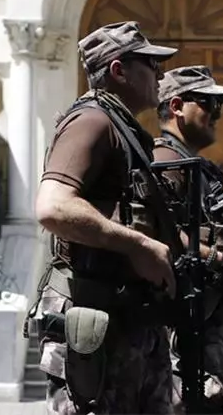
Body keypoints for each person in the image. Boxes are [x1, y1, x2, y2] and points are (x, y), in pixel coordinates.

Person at [31, 21, 179, 415]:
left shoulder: (125, 129)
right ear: (118, 70)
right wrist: (137, 244)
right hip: (97, 316)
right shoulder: (92, 121)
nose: (160, 75)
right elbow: (53, 206)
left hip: (131, 321)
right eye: (150, 64)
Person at [153, 65, 223, 414]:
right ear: (176, 107)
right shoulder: (165, 163)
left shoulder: (196, 168)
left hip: (208, 322)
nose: (217, 114)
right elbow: (161, 232)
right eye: (207, 103)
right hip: (181, 331)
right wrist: (221, 261)